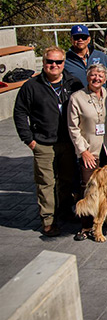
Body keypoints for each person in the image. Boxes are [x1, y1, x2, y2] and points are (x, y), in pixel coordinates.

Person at [14, 46, 83, 237]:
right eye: (49, 62)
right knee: (46, 182)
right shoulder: (32, 86)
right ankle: (48, 221)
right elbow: (20, 112)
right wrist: (29, 140)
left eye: (58, 62)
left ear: (63, 63)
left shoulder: (72, 83)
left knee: (67, 180)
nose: (54, 65)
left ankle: (65, 210)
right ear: (43, 63)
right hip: (43, 143)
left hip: (68, 143)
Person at [67, 63, 107, 241]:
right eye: (93, 75)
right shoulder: (77, 98)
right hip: (90, 150)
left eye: (100, 75)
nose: (97, 78)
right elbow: (73, 128)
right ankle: (86, 225)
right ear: (87, 77)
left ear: (105, 78)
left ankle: (105, 220)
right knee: (89, 188)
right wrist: (83, 151)